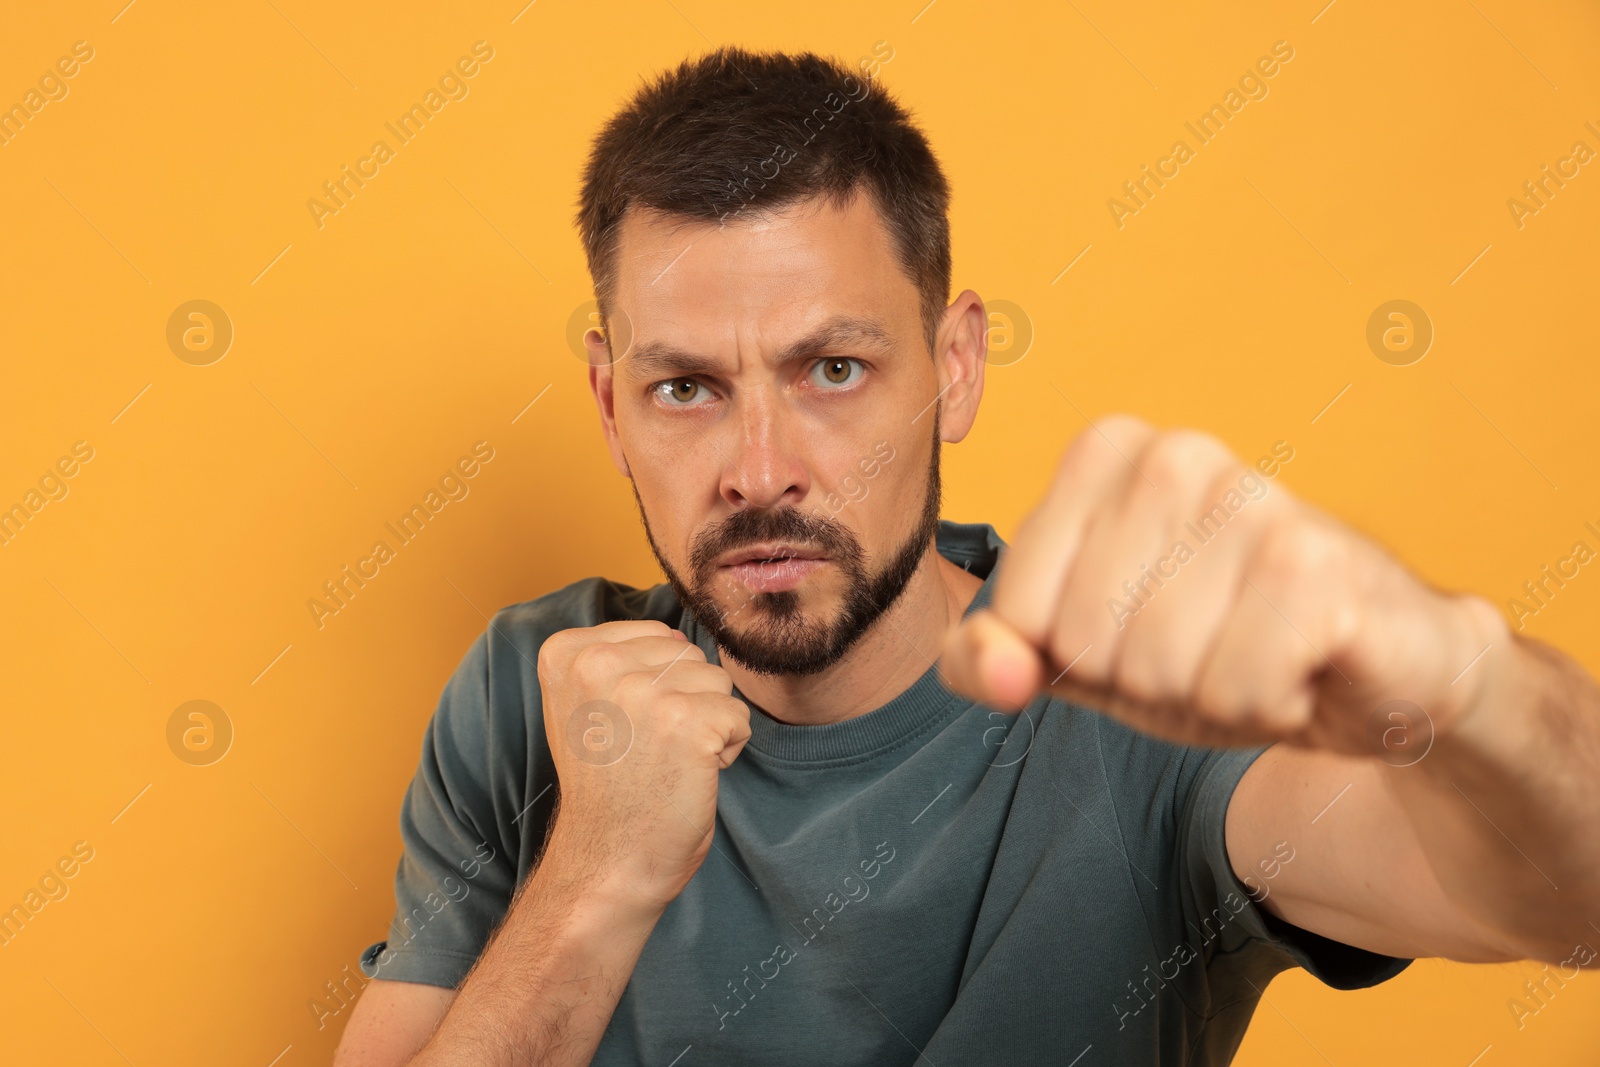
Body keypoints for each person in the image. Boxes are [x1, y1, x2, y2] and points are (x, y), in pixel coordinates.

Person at [334, 46, 1600, 1066]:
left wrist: (1455, 677)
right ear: (611, 406)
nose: (759, 465)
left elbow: (1574, 900)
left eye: (833, 369)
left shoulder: (1130, 695)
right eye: (685, 388)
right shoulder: (535, 690)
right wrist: (595, 880)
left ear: (952, 368)